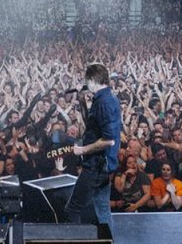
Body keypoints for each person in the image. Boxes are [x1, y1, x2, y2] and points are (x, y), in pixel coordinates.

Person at [65, 63, 121, 235]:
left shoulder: (104, 102)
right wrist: (84, 102)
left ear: (92, 80)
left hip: (96, 166)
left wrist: (83, 150)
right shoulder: (107, 99)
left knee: (72, 210)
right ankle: (109, 240)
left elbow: (109, 140)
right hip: (104, 165)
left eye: (87, 80)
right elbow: (96, 125)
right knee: (103, 210)